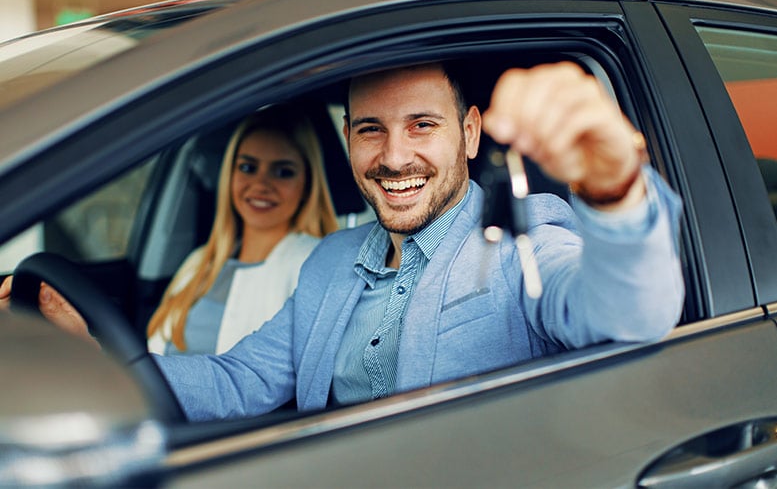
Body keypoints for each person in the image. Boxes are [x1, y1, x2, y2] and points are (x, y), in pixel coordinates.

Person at [4, 61, 685, 421]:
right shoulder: (331, 262)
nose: (393, 157)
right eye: (369, 130)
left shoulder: (526, 237)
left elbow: (631, 312)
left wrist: (614, 190)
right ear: (348, 139)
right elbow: (240, 379)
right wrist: (93, 359)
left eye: (422, 125)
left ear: (470, 133)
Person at [0, 104, 339, 355]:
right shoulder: (198, 263)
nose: (260, 184)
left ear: (308, 184)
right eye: (247, 167)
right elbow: (153, 365)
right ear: (229, 175)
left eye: (283, 172)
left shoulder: (312, 264)